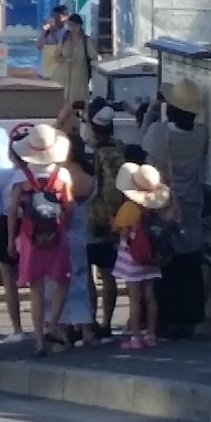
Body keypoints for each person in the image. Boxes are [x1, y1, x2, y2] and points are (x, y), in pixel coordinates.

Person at [143, 77, 210, 339]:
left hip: (164, 205)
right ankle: (189, 320)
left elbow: (143, 148)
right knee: (190, 263)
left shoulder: (159, 134)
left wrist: (150, 111)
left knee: (165, 265)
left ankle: (166, 320)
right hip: (192, 204)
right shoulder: (201, 135)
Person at [7, 123, 75, 355]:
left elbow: (12, 210)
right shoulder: (62, 175)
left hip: (30, 236)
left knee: (35, 289)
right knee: (61, 282)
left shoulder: (22, 177)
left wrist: (10, 240)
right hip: (56, 233)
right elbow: (69, 206)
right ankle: (53, 324)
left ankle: (38, 340)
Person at [113, 162, 176, 349]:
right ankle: (151, 334)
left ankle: (135, 337)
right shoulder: (154, 209)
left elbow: (123, 233)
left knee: (134, 297)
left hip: (132, 256)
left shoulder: (129, 208)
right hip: (151, 255)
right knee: (150, 296)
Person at [83, 101, 127, 341]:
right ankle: (108, 322)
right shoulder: (119, 149)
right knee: (109, 273)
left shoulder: (90, 152)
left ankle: (91, 321)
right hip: (116, 216)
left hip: (93, 216)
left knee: (89, 274)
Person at [58, 128, 99, 344]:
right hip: (83, 230)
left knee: (63, 282)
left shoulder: (66, 173)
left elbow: (67, 206)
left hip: (66, 232)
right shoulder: (89, 173)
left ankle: (64, 329)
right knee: (82, 280)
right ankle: (87, 329)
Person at [0, 145, 29, 339]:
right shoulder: (38, 175)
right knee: (40, 280)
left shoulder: (2, 176)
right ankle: (43, 324)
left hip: (6, 224)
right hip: (34, 224)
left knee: (9, 282)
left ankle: (17, 329)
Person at [53, 14, 92, 106]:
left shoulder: (86, 41)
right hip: (63, 76)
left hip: (79, 77)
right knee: (63, 102)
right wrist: (65, 60)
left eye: (75, 25)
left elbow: (93, 55)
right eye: (70, 25)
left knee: (79, 102)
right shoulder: (64, 39)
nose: (72, 28)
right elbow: (56, 56)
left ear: (80, 25)